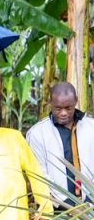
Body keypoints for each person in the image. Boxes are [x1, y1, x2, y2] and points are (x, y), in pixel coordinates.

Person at [26, 82, 93, 210]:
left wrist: (90, 200)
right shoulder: (37, 133)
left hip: (91, 205)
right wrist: (68, 205)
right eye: (58, 108)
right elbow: (40, 174)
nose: (63, 113)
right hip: (58, 210)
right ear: (51, 103)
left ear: (76, 102)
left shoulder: (91, 127)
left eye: (68, 108)